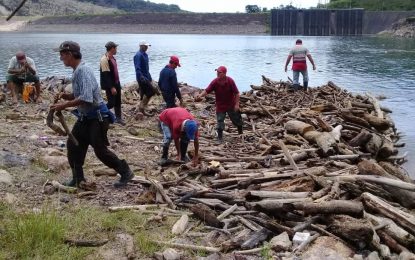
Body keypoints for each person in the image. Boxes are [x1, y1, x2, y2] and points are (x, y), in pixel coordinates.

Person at [51, 41, 134, 188]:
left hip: (97, 117)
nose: (60, 58)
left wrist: (63, 106)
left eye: (62, 55)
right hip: (86, 117)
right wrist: (66, 96)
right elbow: (80, 95)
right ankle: (78, 178)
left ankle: (125, 171)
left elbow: (86, 98)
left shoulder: (83, 71)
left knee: (100, 150)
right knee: (73, 144)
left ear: (70, 54)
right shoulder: (77, 71)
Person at [195, 66, 243, 143]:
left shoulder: (230, 81)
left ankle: (241, 133)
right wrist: (200, 95)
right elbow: (207, 90)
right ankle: (219, 138)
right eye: (217, 72)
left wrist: (237, 105)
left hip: (231, 104)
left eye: (219, 72)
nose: (217, 74)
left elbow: (237, 93)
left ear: (224, 74)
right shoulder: (215, 82)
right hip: (220, 105)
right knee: (220, 121)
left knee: (236, 119)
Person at [100, 41, 125, 125]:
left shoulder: (112, 58)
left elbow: (115, 72)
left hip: (116, 83)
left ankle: (118, 118)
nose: (116, 50)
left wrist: (118, 84)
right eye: (115, 48)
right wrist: (111, 87)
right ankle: (100, 112)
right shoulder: (104, 59)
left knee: (118, 101)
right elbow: (106, 75)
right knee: (111, 103)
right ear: (112, 49)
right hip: (110, 85)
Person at [134, 41, 156, 116]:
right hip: (142, 78)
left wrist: (149, 77)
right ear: (141, 46)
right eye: (145, 46)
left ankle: (142, 109)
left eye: (147, 46)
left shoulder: (145, 55)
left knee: (143, 93)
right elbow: (137, 68)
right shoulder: (138, 55)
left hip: (146, 76)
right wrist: (141, 77)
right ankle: (141, 108)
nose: (147, 47)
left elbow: (146, 68)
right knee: (151, 92)